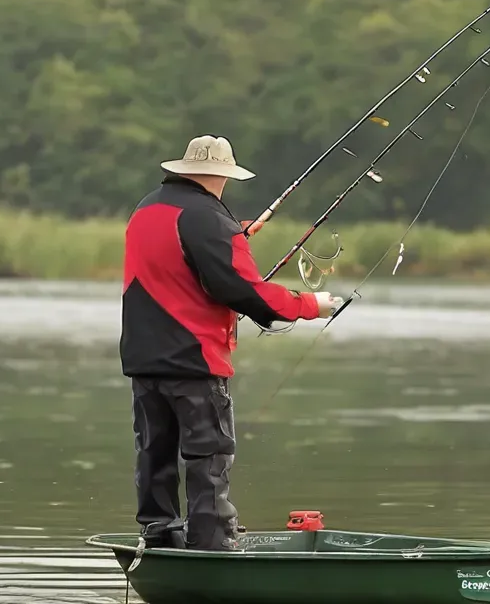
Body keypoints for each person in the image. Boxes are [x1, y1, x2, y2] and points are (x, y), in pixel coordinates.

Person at [119, 134, 341, 552]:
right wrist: (309, 304)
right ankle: (211, 542)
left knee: (155, 451)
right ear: (224, 175)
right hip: (194, 358)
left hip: (144, 358)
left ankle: (159, 532)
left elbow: (176, 258)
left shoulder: (147, 208)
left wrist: (233, 235)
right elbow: (241, 290)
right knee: (209, 455)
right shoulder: (208, 219)